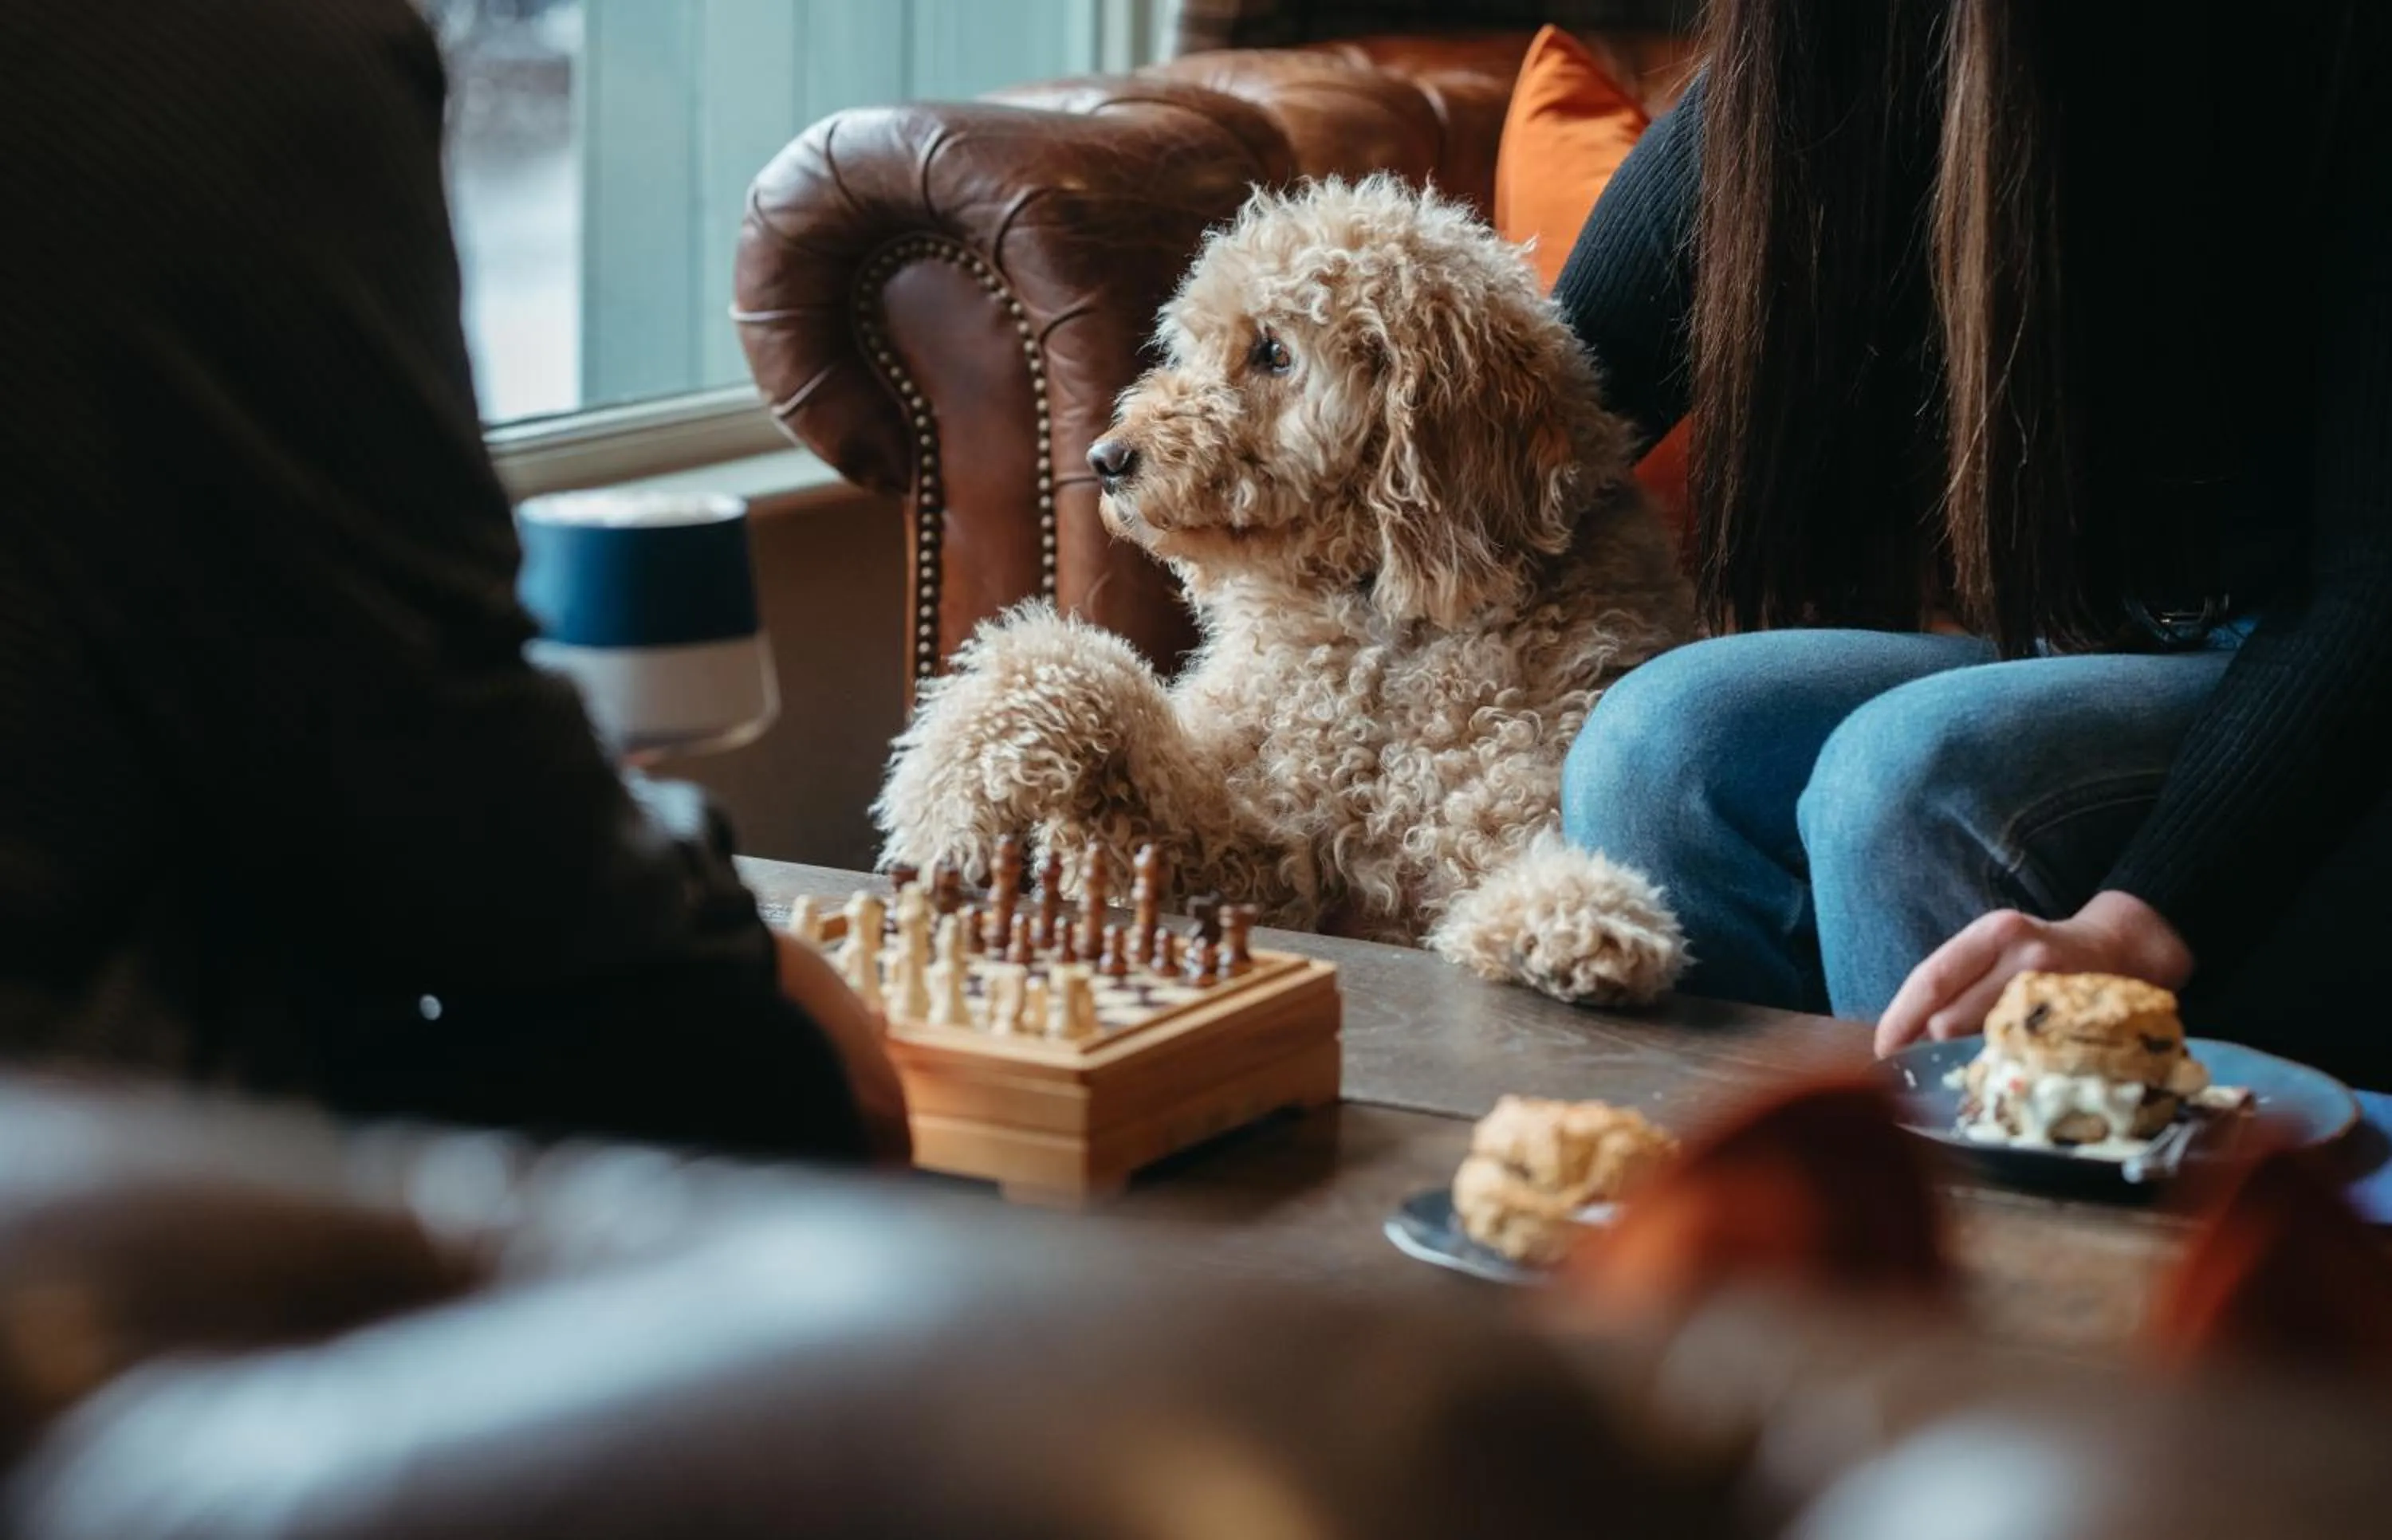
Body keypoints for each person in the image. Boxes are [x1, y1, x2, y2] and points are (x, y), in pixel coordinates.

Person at [0, 0, 903, 1158]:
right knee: (772, 1072)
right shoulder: (254, 48)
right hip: (75, 1118)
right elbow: (421, 753)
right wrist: (728, 940)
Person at [1556, 1, 2392, 1081]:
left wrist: (2129, 929)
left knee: (1906, 778)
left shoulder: (2333, 47)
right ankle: (1755, 1219)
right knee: (1660, 742)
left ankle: (2003, 1243)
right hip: (2097, 638)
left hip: (2310, 653)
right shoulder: (1840, 48)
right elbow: (1547, 407)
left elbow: (2374, 586)